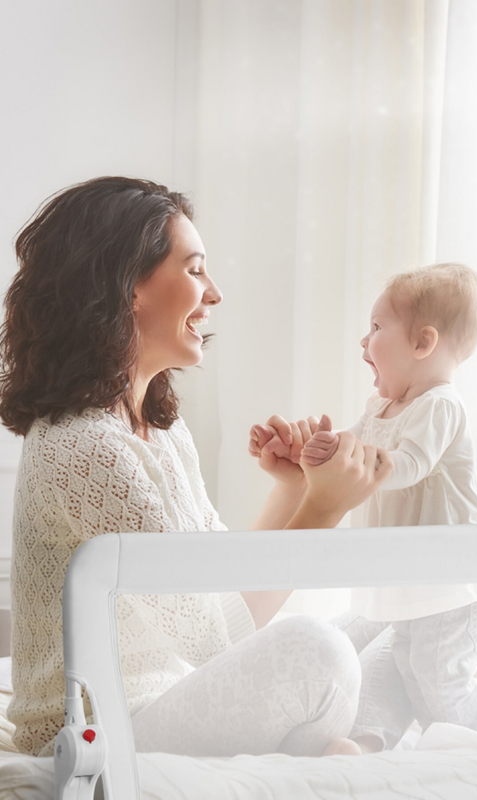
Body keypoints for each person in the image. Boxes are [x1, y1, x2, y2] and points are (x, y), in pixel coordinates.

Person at [0, 176, 393, 759]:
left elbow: (216, 593)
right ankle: (316, 761)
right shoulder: (87, 447)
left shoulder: (157, 429)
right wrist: (324, 510)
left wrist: (292, 492)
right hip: (90, 733)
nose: (215, 293)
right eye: (195, 269)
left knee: (344, 649)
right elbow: (217, 637)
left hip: (158, 703)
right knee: (319, 650)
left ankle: (313, 761)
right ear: (128, 286)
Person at [250, 264, 477, 752]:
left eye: (376, 328)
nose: (363, 341)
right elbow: (346, 452)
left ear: (422, 343)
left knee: (437, 677)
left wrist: (359, 462)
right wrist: (305, 451)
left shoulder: (441, 404)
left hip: (458, 583)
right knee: (399, 665)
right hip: (415, 581)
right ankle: (371, 741)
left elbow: (410, 464)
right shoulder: (379, 409)